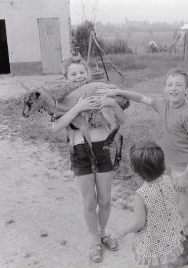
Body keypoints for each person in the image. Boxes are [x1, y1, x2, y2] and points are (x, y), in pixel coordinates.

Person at [107, 68, 188, 265]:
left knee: (182, 211)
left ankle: (187, 253)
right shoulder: (163, 105)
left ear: (187, 90)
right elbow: (141, 97)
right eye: (170, 85)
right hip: (171, 168)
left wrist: (186, 174)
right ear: (164, 89)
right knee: (183, 208)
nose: (174, 88)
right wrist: (119, 92)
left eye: (179, 85)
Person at [52, 56, 125, 263]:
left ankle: (103, 233)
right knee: (89, 201)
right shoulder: (65, 101)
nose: (78, 77)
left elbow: (122, 120)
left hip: (102, 150)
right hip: (80, 152)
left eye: (81, 72)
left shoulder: (98, 92)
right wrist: (78, 107)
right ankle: (94, 241)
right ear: (66, 78)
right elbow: (55, 127)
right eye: (73, 74)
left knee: (105, 200)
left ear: (88, 74)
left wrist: (111, 102)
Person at [115, 141, 184, 268]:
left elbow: (139, 223)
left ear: (136, 170)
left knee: (156, 264)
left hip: (154, 242)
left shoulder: (141, 194)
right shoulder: (169, 180)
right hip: (170, 234)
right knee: (165, 261)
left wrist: (124, 231)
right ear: (162, 163)